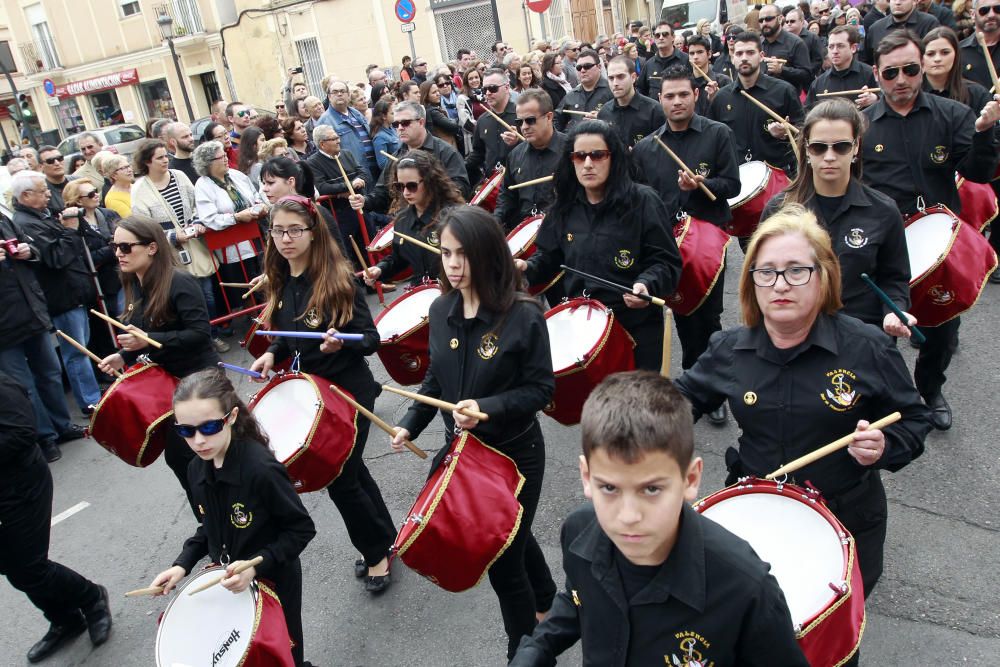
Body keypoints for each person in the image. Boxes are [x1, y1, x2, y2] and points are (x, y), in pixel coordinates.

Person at [675, 207, 931, 607]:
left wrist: (885, 445)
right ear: (752, 281)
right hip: (756, 513)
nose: (780, 284)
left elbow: (915, 418)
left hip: (846, 519)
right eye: (767, 271)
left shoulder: (867, 347)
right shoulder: (728, 349)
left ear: (823, 275)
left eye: (796, 271)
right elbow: (682, 401)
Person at [510, 371, 809, 666]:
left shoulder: (747, 589)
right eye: (609, 488)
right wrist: (535, 651)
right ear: (587, 477)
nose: (628, 516)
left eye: (651, 489)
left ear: (690, 478)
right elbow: (579, 597)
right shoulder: (578, 530)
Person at [390, 206, 557, 660]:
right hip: (463, 453)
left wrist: (487, 408)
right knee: (511, 535)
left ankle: (523, 652)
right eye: (446, 253)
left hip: (513, 456)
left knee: (503, 560)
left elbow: (541, 390)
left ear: (488, 255)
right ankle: (549, 601)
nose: (453, 264)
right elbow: (436, 378)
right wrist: (410, 423)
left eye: (463, 254)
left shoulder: (523, 315)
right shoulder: (441, 308)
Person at [249, 196, 396, 593]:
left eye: (294, 230)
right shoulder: (281, 281)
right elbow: (287, 334)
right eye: (277, 230)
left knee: (341, 479)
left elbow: (370, 338)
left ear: (314, 234)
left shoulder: (336, 278)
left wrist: (340, 343)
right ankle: (384, 538)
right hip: (314, 398)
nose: (285, 238)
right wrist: (271, 352)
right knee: (352, 473)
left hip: (348, 395)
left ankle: (377, 554)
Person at [861, 31, 999, 430]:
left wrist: (986, 132)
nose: (900, 79)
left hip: (940, 247)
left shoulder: (951, 114)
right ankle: (883, 397)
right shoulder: (864, 125)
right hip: (886, 247)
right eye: (890, 72)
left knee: (940, 330)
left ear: (921, 66)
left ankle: (930, 389)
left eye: (909, 69)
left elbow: (978, 172)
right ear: (877, 73)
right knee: (877, 331)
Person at [149, 369, 317, 667]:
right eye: (186, 431)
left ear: (232, 417)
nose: (199, 440)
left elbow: (301, 528)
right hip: (228, 579)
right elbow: (209, 526)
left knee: (284, 651)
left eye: (209, 427)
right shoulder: (196, 469)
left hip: (273, 576)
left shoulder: (261, 470)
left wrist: (257, 566)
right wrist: (182, 564)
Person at [517, 120, 683, 371]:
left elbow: (667, 262)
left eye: (597, 155)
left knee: (636, 406)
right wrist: (525, 267)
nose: (587, 164)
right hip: (583, 328)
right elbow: (548, 259)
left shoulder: (644, 201)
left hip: (635, 326)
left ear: (614, 158)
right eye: (579, 156)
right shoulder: (563, 207)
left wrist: (647, 284)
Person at [631, 67, 741, 415]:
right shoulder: (647, 148)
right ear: (660, 100)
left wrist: (703, 187)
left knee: (708, 317)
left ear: (695, 95)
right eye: (669, 96)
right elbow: (641, 199)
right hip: (667, 245)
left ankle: (713, 391)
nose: (676, 101)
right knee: (680, 312)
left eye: (683, 94)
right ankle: (694, 381)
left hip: (707, 239)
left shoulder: (718, 134)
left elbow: (733, 186)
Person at [762, 99, 914, 343]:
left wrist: (893, 311)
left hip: (863, 336)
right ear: (807, 149)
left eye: (841, 146)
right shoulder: (778, 210)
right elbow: (763, 278)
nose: (829, 156)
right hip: (795, 335)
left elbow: (894, 277)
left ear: (856, 148)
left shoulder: (884, 210)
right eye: (819, 147)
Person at [97, 218, 221, 517]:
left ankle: (222, 522)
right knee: (183, 460)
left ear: (152, 247)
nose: (118, 253)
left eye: (126, 246)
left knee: (194, 458)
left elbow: (200, 334)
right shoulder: (135, 284)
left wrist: (148, 341)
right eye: (115, 246)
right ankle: (209, 523)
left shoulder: (179, 281)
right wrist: (122, 357)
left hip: (199, 381)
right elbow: (141, 333)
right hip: (169, 386)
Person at [0, 372, 112, 664]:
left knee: (29, 565)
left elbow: (23, 432)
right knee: (10, 565)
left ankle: (91, 597)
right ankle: (64, 619)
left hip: (21, 485)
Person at [0, 183, 86, 463]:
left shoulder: (5, 219)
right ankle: (44, 436)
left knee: (49, 372)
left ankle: (61, 426)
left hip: (30, 310)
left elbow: (34, 255)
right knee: (24, 384)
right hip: (5, 326)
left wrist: (28, 251)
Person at [12, 170, 103, 416]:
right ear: (26, 195)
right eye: (42, 191)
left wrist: (70, 226)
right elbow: (56, 257)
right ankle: (90, 402)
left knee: (82, 347)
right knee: (76, 352)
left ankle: (92, 395)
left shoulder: (40, 215)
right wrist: (70, 229)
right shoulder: (25, 222)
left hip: (73, 291)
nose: (47, 195)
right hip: (61, 297)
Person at [130, 139, 228, 353]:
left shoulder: (180, 176)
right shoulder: (139, 190)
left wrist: (196, 223)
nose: (166, 160)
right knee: (186, 296)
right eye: (160, 157)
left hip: (195, 245)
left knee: (208, 293)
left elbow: (195, 204)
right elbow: (145, 227)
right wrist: (173, 236)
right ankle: (198, 338)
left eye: (166, 155)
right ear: (147, 161)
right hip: (169, 253)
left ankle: (212, 333)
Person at [357, 150, 464, 286]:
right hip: (423, 290)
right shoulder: (402, 220)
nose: (406, 192)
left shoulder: (454, 216)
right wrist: (380, 269)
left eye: (412, 186)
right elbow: (398, 259)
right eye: (400, 186)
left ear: (430, 181)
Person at [709, 31, 805, 178]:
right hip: (738, 177)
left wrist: (787, 133)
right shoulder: (721, 98)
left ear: (761, 56)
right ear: (733, 58)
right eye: (739, 54)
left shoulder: (783, 91)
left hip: (777, 175)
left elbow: (803, 130)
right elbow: (714, 140)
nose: (744, 58)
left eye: (750, 53)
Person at [357, 101, 471, 213]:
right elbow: (382, 192)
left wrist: (430, 189)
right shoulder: (397, 156)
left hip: (440, 218)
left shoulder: (445, 152)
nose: (400, 128)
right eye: (396, 124)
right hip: (409, 222)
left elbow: (462, 189)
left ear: (421, 122)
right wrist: (365, 201)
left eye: (405, 123)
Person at [192, 139, 267, 309]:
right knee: (247, 288)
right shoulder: (203, 186)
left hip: (256, 238)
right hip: (233, 247)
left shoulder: (237, 175)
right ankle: (255, 323)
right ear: (208, 163)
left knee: (265, 279)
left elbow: (255, 195)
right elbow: (209, 218)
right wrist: (236, 217)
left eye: (225, 155)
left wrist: (259, 206)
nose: (226, 159)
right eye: (221, 157)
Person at [494, 89, 567, 232]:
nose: (524, 127)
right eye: (519, 122)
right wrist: (494, 222)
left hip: (561, 231)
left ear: (549, 117)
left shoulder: (571, 151)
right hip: (525, 232)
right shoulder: (515, 155)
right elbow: (507, 195)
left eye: (530, 120)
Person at [61, 179, 123, 346]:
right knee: (116, 324)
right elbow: (83, 258)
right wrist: (111, 249)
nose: (96, 195)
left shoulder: (109, 214)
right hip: (101, 285)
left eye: (95, 191)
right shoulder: (74, 224)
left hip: (124, 276)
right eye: (90, 193)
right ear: (78, 200)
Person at [307, 124, 372, 259]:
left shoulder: (346, 153)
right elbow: (322, 187)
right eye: (334, 138)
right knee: (350, 252)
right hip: (340, 214)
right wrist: (347, 186)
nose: (339, 141)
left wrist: (359, 180)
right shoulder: (313, 162)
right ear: (322, 144)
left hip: (361, 206)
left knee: (370, 244)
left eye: (338, 137)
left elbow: (364, 172)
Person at [260, 156, 347, 254]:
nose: (265, 188)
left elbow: (338, 253)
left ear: (291, 181)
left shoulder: (316, 212)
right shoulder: (273, 215)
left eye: (270, 183)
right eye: (264, 183)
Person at [597, 55, 666, 149]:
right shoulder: (604, 113)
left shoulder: (654, 111)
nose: (615, 83)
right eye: (611, 78)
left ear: (633, 77)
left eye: (620, 77)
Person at [466, 68, 519, 184]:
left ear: (506, 87)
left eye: (493, 88)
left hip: (518, 181)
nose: (488, 93)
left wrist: (518, 142)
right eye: (484, 89)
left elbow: (537, 147)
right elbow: (478, 153)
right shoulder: (482, 120)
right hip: (493, 184)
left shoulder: (521, 115)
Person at [805, 26, 879, 108]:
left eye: (840, 46)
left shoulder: (870, 75)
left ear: (853, 48)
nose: (835, 51)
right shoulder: (819, 83)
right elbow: (808, 112)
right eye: (831, 47)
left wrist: (876, 99)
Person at [318, 79, 377, 175]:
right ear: (329, 97)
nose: (339, 94)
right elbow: (326, 156)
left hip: (374, 170)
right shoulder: (325, 121)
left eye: (342, 91)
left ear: (348, 95)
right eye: (335, 92)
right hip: (355, 174)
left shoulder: (356, 113)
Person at [758, 4, 815, 93]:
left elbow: (806, 75)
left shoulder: (796, 43)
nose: (764, 23)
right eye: (761, 20)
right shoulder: (757, 43)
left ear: (780, 19)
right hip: (761, 98)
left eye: (768, 19)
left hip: (787, 100)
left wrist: (782, 70)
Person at [861, 0, 940, 63]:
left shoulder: (929, 23)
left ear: (915, 1)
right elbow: (865, 60)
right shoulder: (875, 29)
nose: (897, 2)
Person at [635, 22, 691, 102]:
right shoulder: (649, 64)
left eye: (665, 34)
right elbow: (640, 89)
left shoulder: (686, 60)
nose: (661, 37)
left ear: (673, 37)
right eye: (657, 35)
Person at [958, 0, 1000, 88]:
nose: (991, 14)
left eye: (997, 9)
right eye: (984, 10)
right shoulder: (959, 51)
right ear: (972, 14)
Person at [686, 36, 731, 116]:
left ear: (709, 54)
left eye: (700, 52)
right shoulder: (685, 84)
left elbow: (730, 113)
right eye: (692, 53)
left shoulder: (723, 81)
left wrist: (715, 101)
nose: (695, 57)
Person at [421, 80, 463, 151]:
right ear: (426, 96)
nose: (438, 94)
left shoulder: (432, 109)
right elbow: (453, 126)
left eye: (437, 91)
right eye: (434, 92)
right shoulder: (433, 112)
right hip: (447, 148)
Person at [784, 8, 826, 75]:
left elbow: (818, 61)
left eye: (792, 21)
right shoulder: (784, 38)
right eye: (787, 22)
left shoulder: (812, 38)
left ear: (802, 22)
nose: (789, 24)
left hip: (806, 79)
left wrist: (805, 73)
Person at [38, 146, 70, 218]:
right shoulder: (41, 192)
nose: (57, 163)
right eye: (50, 161)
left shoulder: (78, 181)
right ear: (41, 166)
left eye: (60, 158)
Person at [98, 154, 133, 218]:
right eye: (123, 168)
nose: (129, 170)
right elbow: (133, 220)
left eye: (128, 166)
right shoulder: (112, 199)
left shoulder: (136, 186)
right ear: (113, 175)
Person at [370, 98, 400, 172]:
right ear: (384, 116)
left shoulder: (392, 129)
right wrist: (400, 165)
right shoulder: (380, 137)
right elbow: (383, 164)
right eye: (392, 113)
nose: (394, 115)